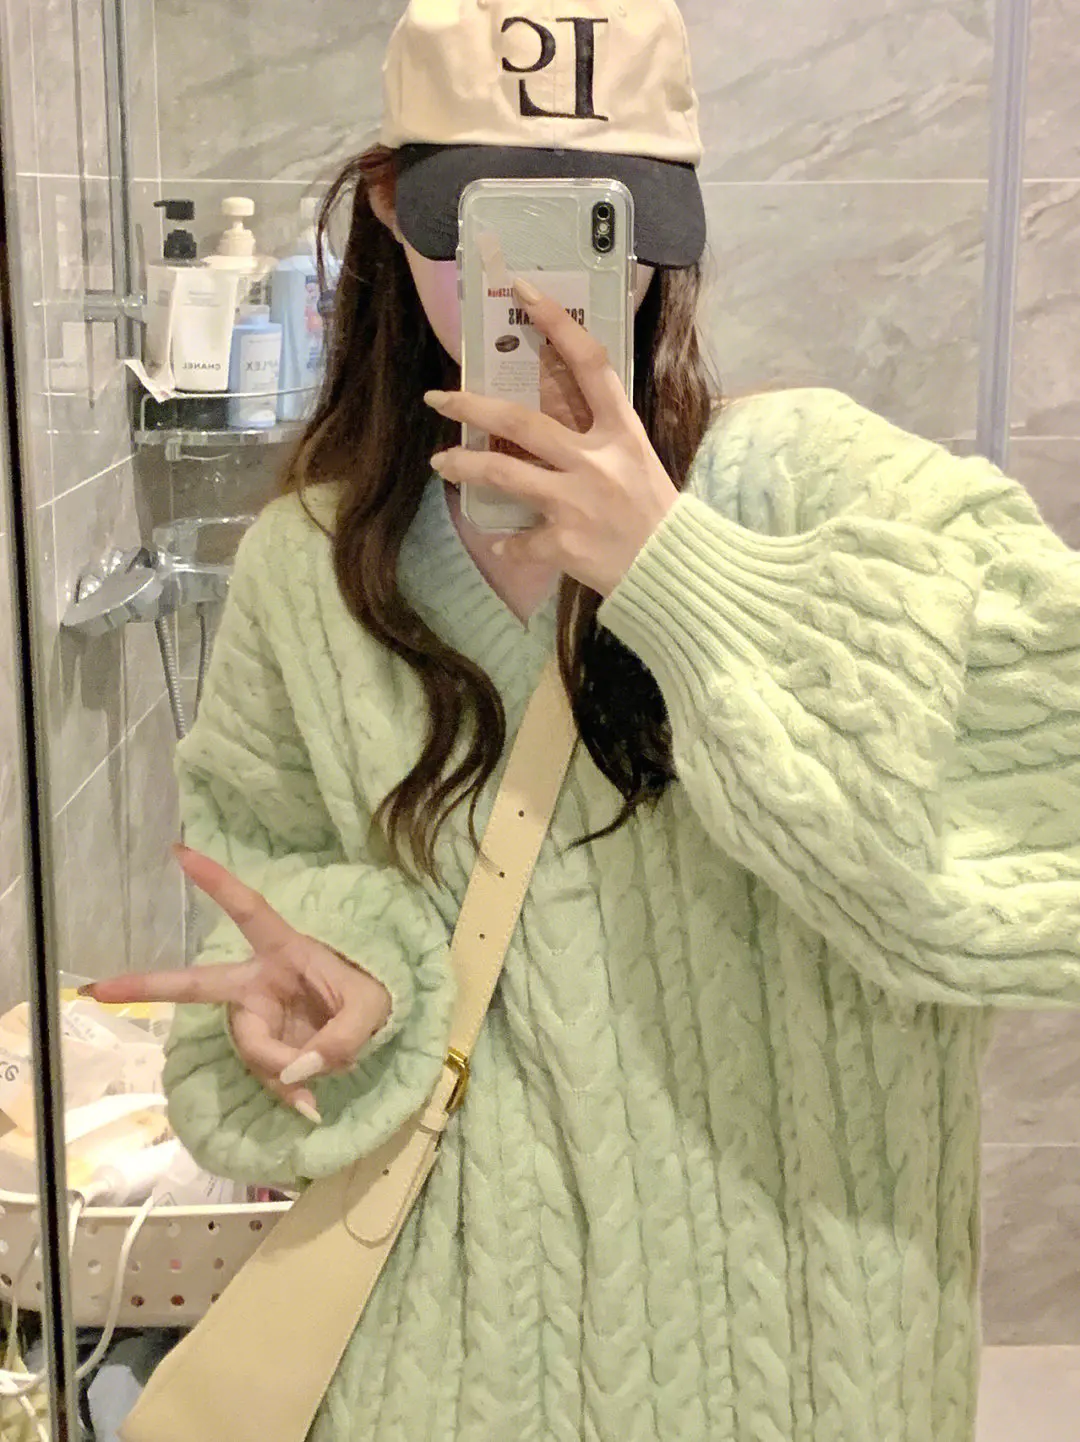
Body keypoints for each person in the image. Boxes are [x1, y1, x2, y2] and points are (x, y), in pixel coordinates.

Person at [86, 3, 1080, 1440]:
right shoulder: (317, 565)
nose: (536, 285)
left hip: (805, 1364)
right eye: (484, 222)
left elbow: (1041, 829)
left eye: (599, 226)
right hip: (448, 1360)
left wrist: (680, 574)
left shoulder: (822, 487)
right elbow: (267, 867)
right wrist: (334, 977)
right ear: (391, 210)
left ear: (667, 233)